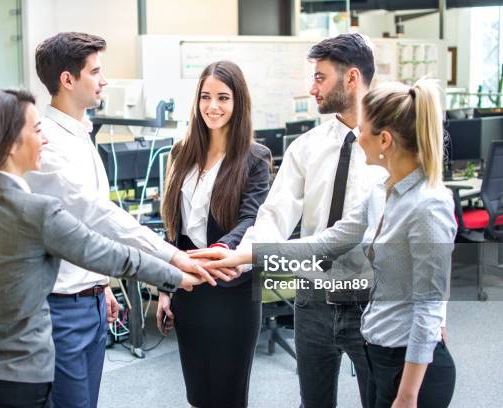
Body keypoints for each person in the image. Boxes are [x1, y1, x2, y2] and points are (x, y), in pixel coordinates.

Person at [191, 79, 457, 408]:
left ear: (385, 140)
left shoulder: (429, 205)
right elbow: (322, 244)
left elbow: (428, 308)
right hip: (381, 353)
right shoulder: (381, 194)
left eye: (364, 128)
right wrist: (241, 257)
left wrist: (407, 395)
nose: (357, 134)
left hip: (412, 372)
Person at [0, 89, 204, 408]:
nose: (45, 140)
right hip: (22, 383)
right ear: (9, 145)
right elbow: (115, 257)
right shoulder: (38, 212)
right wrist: (179, 275)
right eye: (36, 130)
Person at [24, 33, 233, 408]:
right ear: (67, 80)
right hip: (59, 306)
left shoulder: (81, 133)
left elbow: (83, 231)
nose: (104, 81)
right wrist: (172, 258)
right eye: (96, 71)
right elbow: (97, 215)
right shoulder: (47, 141)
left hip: (87, 299)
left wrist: (100, 283)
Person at [187, 34, 383, 408]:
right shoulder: (306, 147)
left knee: (379, 398)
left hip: (370, 298)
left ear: (352, 78)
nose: (312, 88)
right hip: (314, 301)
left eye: (320, 77)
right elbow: (272, 218)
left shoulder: (390, 144)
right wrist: (239, 254)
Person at [156, 60, 271, 408]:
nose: (213, 106)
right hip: (190, 289)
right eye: (206, 97)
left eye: (223, 97)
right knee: (199, 392)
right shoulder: (182, 152)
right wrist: (166, 287)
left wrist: (221, 251)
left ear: (238, 103)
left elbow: (251, 217)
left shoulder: (254, 157)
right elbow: (173, 226)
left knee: (228, 395)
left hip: (231, 288)